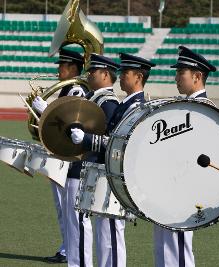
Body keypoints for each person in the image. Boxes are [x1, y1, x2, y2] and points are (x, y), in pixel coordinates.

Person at [153, 45, 216, 267]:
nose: (176, 78)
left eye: (181, 73)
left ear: (197, 76)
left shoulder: (204, 110)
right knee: (164, 249)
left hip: (184, 190)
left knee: (177, 249)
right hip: (171, 187)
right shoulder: (185, 106)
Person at [32, 48, 87, 264]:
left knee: (67, 207)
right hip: (59, 155)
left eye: (62, 65)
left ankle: (69, 249)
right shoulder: (66, 90)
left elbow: (72, 125)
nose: (58, 69)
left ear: (72, 67)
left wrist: (45, 109)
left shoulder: (76, 91)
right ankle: (66, 246)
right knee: (61, 207)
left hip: (69, 158)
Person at [68, 53, 120, 267]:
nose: (88, 74)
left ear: (105, 74)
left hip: (91, 167)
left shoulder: (108, 102)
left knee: (80, 223)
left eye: (93, 71)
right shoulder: (93, 96)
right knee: (75, 223)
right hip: (81, 165)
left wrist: (86, 139)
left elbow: (110, 138)